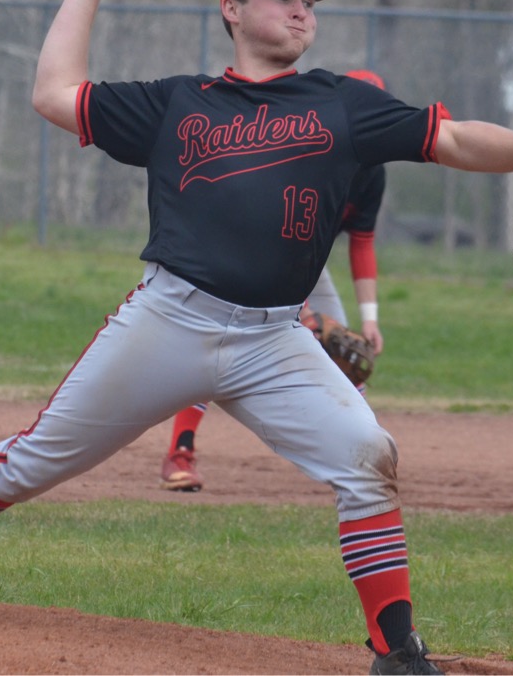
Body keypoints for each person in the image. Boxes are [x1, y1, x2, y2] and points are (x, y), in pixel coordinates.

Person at [0, 0, 513, 676]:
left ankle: (397, 652)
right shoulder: (177, 104)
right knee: (28, 465)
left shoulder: (345, 104)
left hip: (276, 339)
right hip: (170, 320)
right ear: (232, 10)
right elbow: (52, 94)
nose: (301, 9)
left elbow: (457, 138)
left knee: (366, 458)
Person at [160, 69, 389, 493]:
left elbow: (362, 241)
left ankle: (360, 463)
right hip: (240, 252)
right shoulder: (308, 148)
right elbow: (261, 226)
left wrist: (370, 317)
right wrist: (294, 310)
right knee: (214, 348)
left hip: (305, 261)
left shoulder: (372, 169)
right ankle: (180, 452)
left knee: (342, 355)